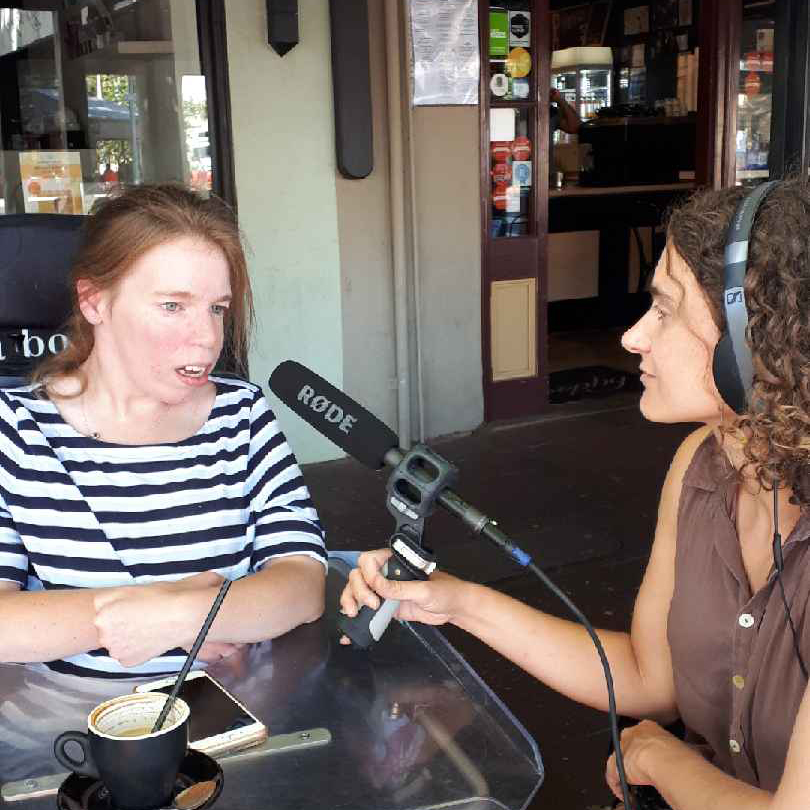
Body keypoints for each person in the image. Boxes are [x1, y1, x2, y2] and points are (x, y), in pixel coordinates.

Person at [341, 177, 810, 808]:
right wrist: (457, 602)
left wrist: (659, 760)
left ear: (755, 340)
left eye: (666, 310)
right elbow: (648, 677)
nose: (632, 337)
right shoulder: (701, 466)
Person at [0, 183, 327, 678]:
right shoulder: (16, 428)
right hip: (73, 731)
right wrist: (162, 610)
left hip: (231, 717)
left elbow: (301, 584)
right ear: (94, 302)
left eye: (217, 308)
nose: (208, 337)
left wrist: (177, 615)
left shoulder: (241, 414)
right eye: (173, 305)